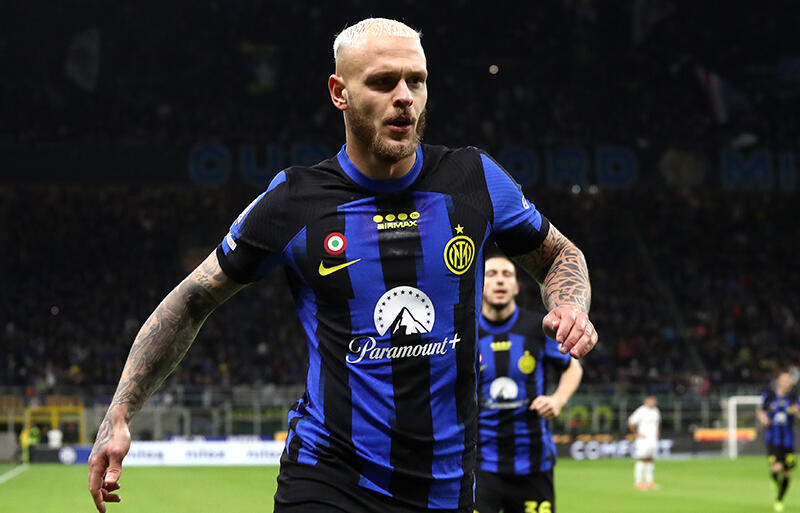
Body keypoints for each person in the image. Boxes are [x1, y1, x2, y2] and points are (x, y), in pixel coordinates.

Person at [87, 18, 598, 513]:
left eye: (416, 80)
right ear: (340, 93)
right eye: (382, 82)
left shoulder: (475, 180)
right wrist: (120, 411)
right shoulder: (294, 201)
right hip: (327, 478)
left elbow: (559, 254)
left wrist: (570, 303)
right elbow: (192, 299)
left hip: (444, 489)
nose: (405, 96)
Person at [474, 253, 583, 513]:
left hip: (533, 464)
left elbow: (573, 367)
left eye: (507, 275)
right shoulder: (466, 331)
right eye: (491, 274)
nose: (500, 280)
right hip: (480, 465)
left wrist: (558, 400)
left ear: (516, 287)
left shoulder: (537, 328)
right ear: (479, 284)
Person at [757, 371, 800, 512]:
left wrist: (797, 411)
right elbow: (760, 410)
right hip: (773, 439)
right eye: (785, 380)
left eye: (789, 380)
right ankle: (774, 481)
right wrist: (764, 419)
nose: (787, 382)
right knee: (776, 468)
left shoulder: (794, 398)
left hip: (788, 440)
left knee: (787, 472)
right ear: (779, 381)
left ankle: (779, 499)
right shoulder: (769, 395)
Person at [627, 395, 660, 490]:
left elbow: (658, 423)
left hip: (653, 439)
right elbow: (630, 422)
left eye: (654, 401)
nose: (653, 403)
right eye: (651, 401)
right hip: (643, 440)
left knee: (650, 459)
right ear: (646, 401)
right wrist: (637, 433)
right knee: (641, 459)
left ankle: (649, 482)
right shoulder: (641, 411)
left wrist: (657, 432)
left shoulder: (656, 411)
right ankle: (638, 482)